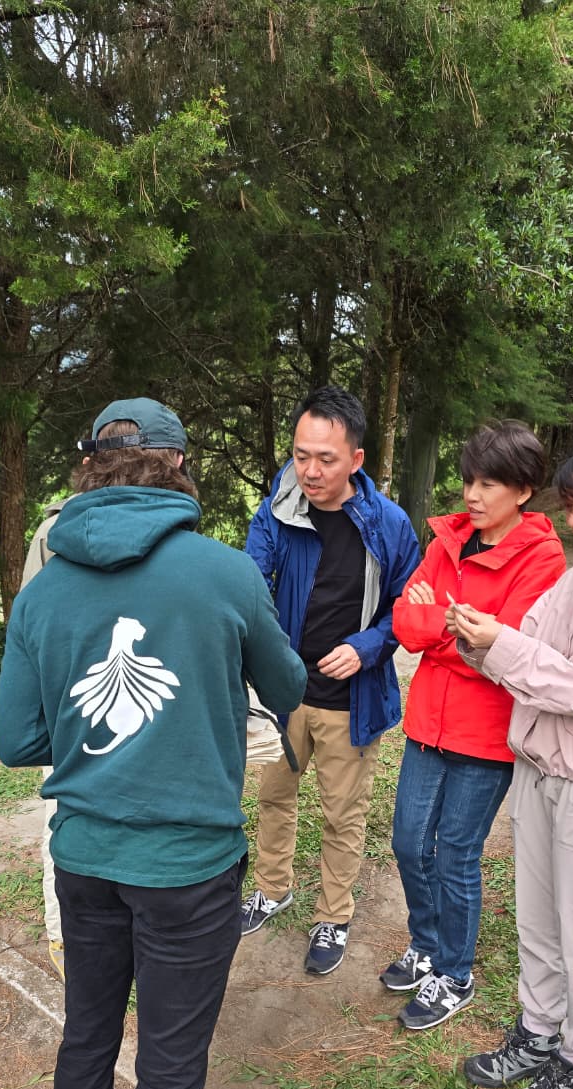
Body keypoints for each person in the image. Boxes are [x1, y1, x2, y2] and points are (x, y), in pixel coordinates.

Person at [0, 397, 307, 1089]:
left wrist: (100, 741)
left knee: (87, 1036)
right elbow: (287, 685)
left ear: (88, 468)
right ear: (177, 468)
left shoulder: (46, 588)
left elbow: (17, 740)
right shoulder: (225, 573)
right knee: (170, 1071)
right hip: (189, 872)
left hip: (84, 860)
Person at [457, 433, 573, 1089]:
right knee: (538, 917)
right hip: (539, 769)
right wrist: (485, 643)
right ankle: (539, 1030)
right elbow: (530, 651)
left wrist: (512, 650)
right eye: (572, 505)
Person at [380, 420, 566, 1030]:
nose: (472, 495)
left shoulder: (541, 556)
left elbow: (506, 654)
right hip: (428, 722)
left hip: (486, 733)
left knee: (457, 852)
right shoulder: (448, 539)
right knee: (408, 841)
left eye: (489, 483)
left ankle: (454, 973)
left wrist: (450, 629)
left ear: (524, 490)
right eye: (468, 480)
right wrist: (456, 629)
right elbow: (406, 624)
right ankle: (426, 944)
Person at [242, 384, 420, 975]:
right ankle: (272, 886)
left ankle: (333, 917)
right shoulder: (276, 512)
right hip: (285, 693)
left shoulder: (389, 526)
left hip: (351, 699)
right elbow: (250, 584)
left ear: (356, 460)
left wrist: (368, 646)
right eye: (301, 455)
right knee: (274, 796)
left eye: (326, 459)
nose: (310, 471)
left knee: (344, 815)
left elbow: (410, 608)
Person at [20, 497, 71, 979]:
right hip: (68, 713)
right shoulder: (53, 530)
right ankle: (62, 936)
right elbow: (29, 627)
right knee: (62, 818)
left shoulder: (173, 526)